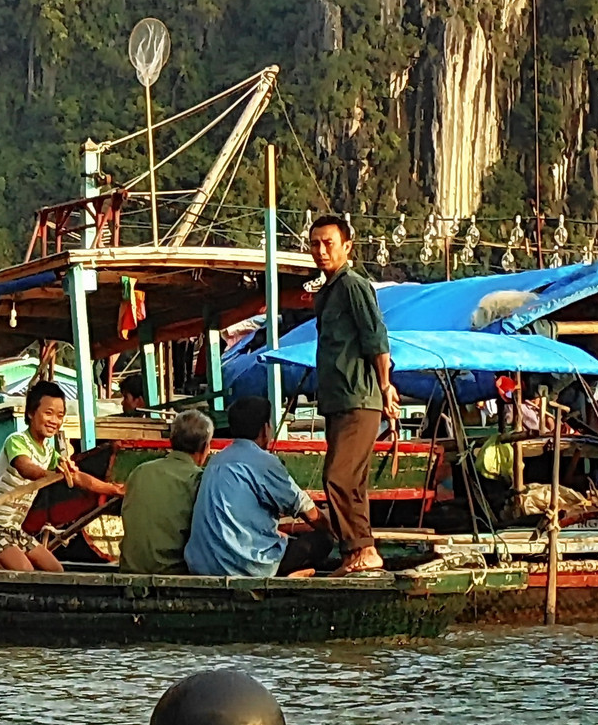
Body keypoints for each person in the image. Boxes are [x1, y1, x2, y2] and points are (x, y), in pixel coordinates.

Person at [307, 213, 395, 575]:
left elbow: (376, 339)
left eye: (328, 243)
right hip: (339, 400)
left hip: (360, 398)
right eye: (315, 244)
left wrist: (386, 385)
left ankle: (363, 549)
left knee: (338, 477)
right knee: (353, 482)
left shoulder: (353, 284)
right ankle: (357, 554)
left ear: (347, 246)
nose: (321, 251)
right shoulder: (327, 292)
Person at [0, 382, 125, 572]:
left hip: (12, 529)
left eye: (60, 415)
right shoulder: (16, 441)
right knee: (26, 572)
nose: (54, 421)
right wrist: (54, 475)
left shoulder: (49, 452)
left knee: (56, 571)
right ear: (31, 413)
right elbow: (26, 468)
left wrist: (114, 489)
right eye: (48, 413)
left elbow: (79, 478)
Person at [186, 396, 333, 578]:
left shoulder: (216, 460)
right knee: (322, 541)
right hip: (247, 566)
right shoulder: (264, 462)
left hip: (204, 564)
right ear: (265, 429)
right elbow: (307, 510)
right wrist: (336, 530)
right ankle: (288, 575)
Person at [119, 409, 214, 574]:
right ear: (205, 447)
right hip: (173, 575)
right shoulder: (199, 480)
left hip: (130, 571)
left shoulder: (140, 471)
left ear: (171, 440)